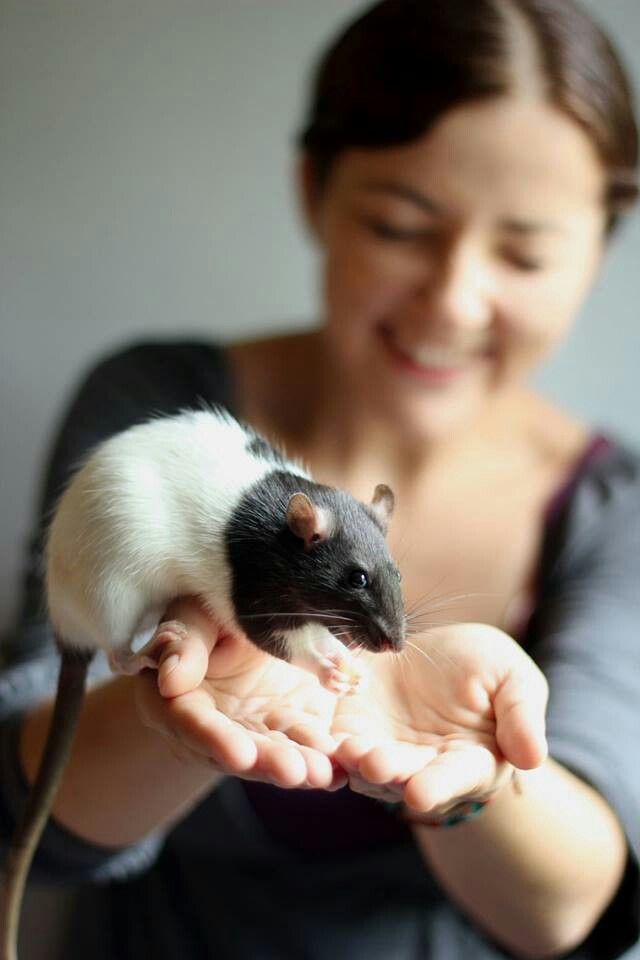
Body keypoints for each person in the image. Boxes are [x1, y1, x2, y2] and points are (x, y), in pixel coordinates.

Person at [1, 0, 639, 956]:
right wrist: (165, 717)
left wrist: (474, 776)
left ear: (600, 244)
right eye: (399, 224)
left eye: (523, 251)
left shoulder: (612, 508)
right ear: (313, 189)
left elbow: (568, 913)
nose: (452, 300)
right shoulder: (157, 396)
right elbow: (21, 817)